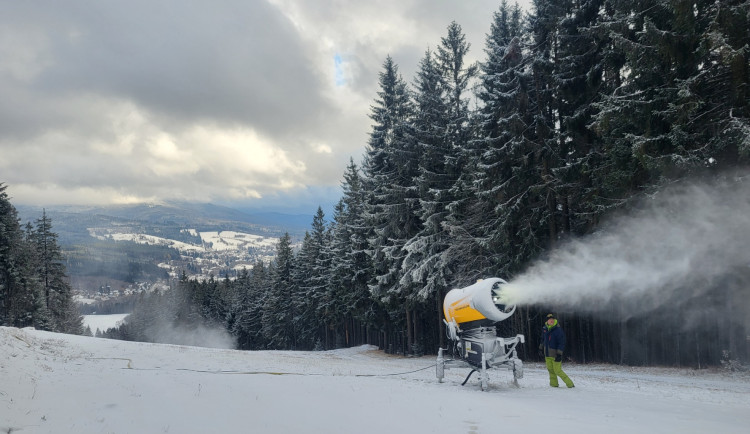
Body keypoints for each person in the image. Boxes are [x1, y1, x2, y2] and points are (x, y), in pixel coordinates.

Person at [539, 313, 575, 388]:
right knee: (551, 370)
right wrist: (540, 348)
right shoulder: (545, 329)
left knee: (557, 371)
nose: (551, 321)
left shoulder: (558, 330)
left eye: (552, 319)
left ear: (554, 320)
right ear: (547, 321)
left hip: (555, 355)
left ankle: (570, 384)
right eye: (549, 320)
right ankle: (554, 385)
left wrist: (559, 354)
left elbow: (562, 343)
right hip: (547, 354)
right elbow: (542, 340)